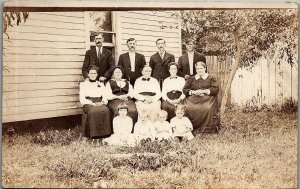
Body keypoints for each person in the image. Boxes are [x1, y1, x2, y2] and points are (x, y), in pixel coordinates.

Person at [183, 61, 219, 133]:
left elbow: (215, 89)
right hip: (193, 99)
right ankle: (191, 128)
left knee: (207, 108)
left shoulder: (211, 78)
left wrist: (203, 91)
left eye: (201, 68)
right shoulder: (191, 79)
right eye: (198, 68)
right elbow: (185, 90)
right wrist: (194, 92)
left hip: (207, 98)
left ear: (205, 68)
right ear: (196, 70)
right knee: (188, 108)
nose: (199, 70)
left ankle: (207, 129)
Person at [79, 65, 112, 139]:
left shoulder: (100, 84)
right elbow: (82, 98)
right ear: (88, 74)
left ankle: (105, 134)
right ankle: (94, 134)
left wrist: (102, 102)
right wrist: (92, 103)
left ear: (97, 74)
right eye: (91, 73)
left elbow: (105, 96)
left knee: (106, 110)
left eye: (94, 73)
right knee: (94, 111)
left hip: (99, 101)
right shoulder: (83, 84)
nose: (93, 75)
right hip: (88, 102)